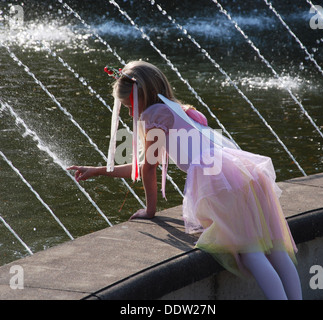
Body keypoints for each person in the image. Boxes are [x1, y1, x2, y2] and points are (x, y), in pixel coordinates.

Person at [67, 61, 302, 300]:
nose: (129, 113)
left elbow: (148, 168)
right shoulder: (178, 109)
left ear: (143, 99)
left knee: (252, 253)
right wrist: (98, 170)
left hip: (219, 178)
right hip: (244, 172)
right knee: (275, 250)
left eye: (129, 107)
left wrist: (150, 210)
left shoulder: (153, 115)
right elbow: (144, 164)